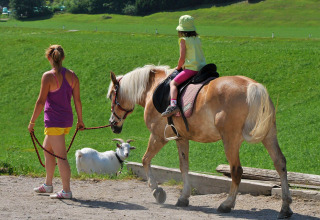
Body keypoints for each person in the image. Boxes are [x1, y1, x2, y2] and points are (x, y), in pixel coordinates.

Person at [28, 45, 85, 199]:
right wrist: (80, 121)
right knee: (47, 148)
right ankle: (48, 185)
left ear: (49, 58)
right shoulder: (73, 76)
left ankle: (66, 191)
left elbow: (40, 102)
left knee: (61, 156)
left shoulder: (48, 76)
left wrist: (32, 122)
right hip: (66, 121)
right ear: (63, 58)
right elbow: (78, 101)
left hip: (54, 122)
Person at [161, 15, 206, 117]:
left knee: (173, 83)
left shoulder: (183, 40)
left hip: (192, 69)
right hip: (202, 68)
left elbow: (182, 57)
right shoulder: (197, 39)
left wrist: (178, 67)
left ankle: (173, 105)